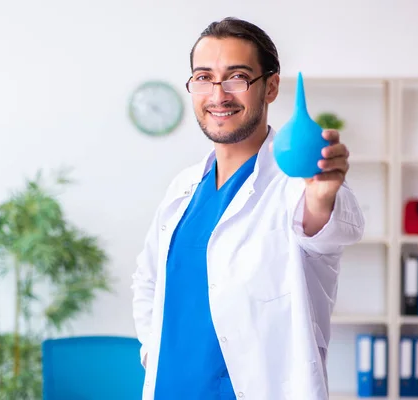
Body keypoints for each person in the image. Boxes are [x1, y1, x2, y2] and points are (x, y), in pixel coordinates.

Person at [131, 17, 365, 400]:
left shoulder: (294, 185)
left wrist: (322, 197)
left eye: (237, 76)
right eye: (204, 77)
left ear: (270, 87)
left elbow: (325, 227)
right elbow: (147, 281)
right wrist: (151, 350)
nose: (218, 95)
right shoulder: (184, 189)